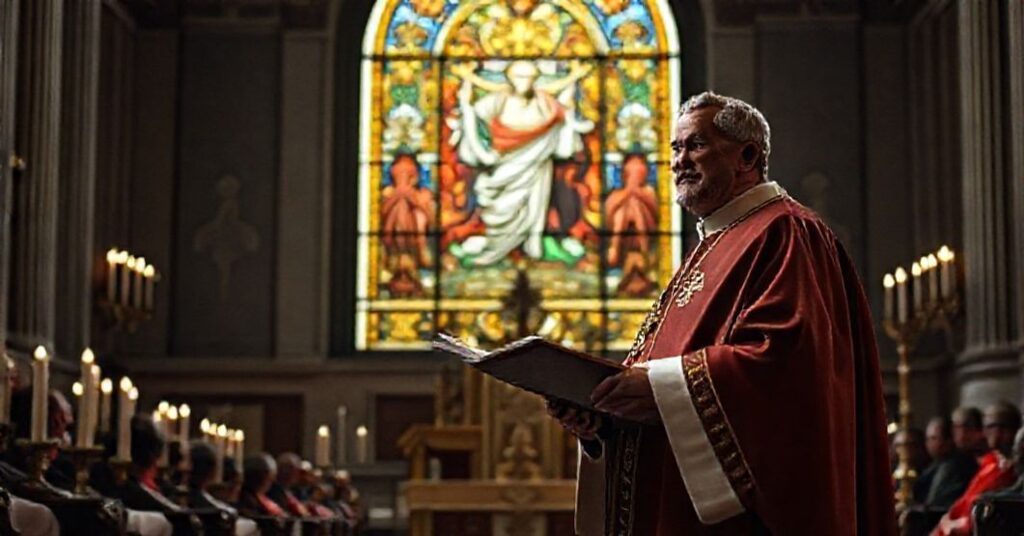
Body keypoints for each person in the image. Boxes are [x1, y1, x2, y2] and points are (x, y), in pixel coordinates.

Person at [549, 91, 896, 535]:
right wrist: (602, 419)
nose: (679, 161)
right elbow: (656, 384)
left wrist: (658, 388)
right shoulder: (711, 245)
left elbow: (789, 363)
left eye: (696, 145)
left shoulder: (787, 231)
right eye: (675, 148)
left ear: (747, 155)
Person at [449, 59, 593, 265]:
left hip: (538, 167)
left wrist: (572, 84)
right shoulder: (497, 101)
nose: (524, 82)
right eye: (519, 77)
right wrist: (466, 95)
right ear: (509, 78)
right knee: (501, 209)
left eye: (529, 77)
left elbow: (561, 116)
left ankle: (533, 245)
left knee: (535, 208)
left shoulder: (544, 102)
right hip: (504, 167)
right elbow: (475, 117)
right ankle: (496, 247)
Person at [932, 401, 1022, 536]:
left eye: (998, 427)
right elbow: (964, 502)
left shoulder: (1015, 467)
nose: (993, 433)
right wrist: (948, 520)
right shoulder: (989, 462)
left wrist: (957, 524)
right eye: (987, 427)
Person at [914, 417, 977, 509]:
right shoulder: (934, 464)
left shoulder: (955, 466)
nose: (928, 444)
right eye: (927, 439)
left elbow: (937, 504)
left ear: (949, 441)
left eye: (934, 438)